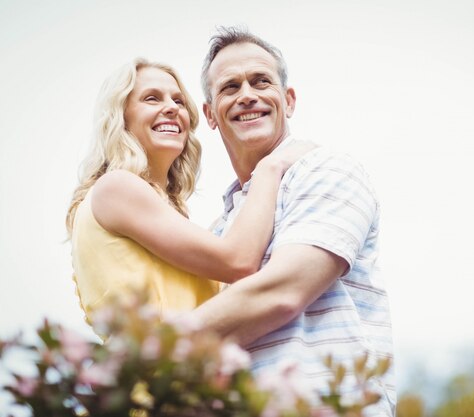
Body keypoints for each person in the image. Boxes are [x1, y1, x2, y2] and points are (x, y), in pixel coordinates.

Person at [190, 27, 396, 415]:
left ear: (288, 100)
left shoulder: (326, 169)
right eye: (230, 87)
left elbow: (281, 292)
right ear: (210, 114)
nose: (247, 94)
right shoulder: (221, 229)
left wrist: (149, 351)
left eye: (261, 81)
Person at [66, 58, 312, 323]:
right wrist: (271, 166)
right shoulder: (116, 188)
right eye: (152, 99)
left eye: (179, 101)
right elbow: (238, 261)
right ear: (121, 117)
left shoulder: (163, 212)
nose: (171, 108)